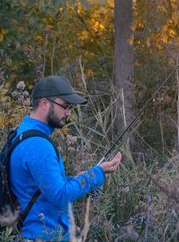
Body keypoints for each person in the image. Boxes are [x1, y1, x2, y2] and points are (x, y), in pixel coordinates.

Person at [9, 76, 122, 240]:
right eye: (65, 106)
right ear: (44, 103)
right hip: (43, 236)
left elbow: (41, 187)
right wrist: (96, 174)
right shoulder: (38, 144)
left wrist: (74, 179)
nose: (68, 112)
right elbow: (60, 196)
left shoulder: (23, 131)